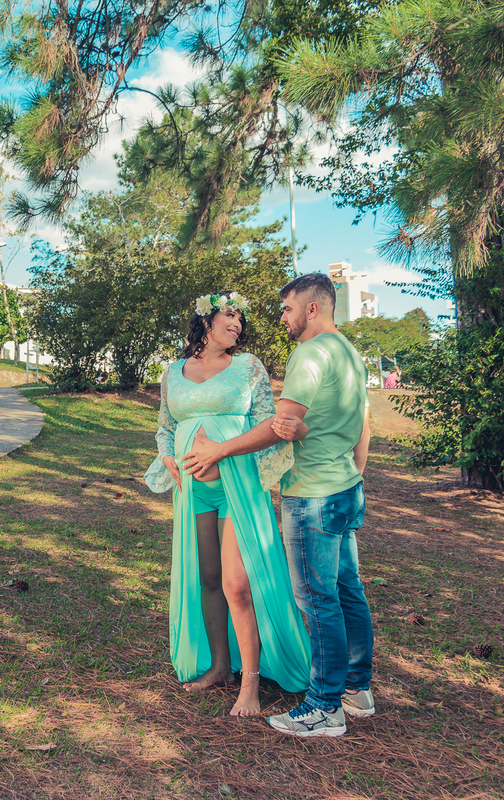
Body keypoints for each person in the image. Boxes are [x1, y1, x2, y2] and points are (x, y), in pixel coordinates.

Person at [183, 273, 373, 738]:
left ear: (312, 308)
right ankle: (357, 689)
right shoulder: (350, 352)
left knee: (318, 599)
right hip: (345, 486)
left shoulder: (310, 353)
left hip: (313, 493)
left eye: (287, 308)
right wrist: (355, 473)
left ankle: (325, 707)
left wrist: (220, 450)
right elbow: (363, 423)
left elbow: (280, 423)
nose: (282, 317)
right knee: (347, 590)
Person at [145, 291, 311, 717]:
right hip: (193, 488)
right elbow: (166, 427)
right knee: (208, 578)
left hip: (237, 483)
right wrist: (168, 456)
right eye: (230, 315)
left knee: (238, 584)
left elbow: (266, 422)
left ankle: (251, 683)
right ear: (206, 320)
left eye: (241, 319)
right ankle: (220, 667)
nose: (237, 324)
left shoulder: (248, 367)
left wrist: (230, 457)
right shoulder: (173, 372)